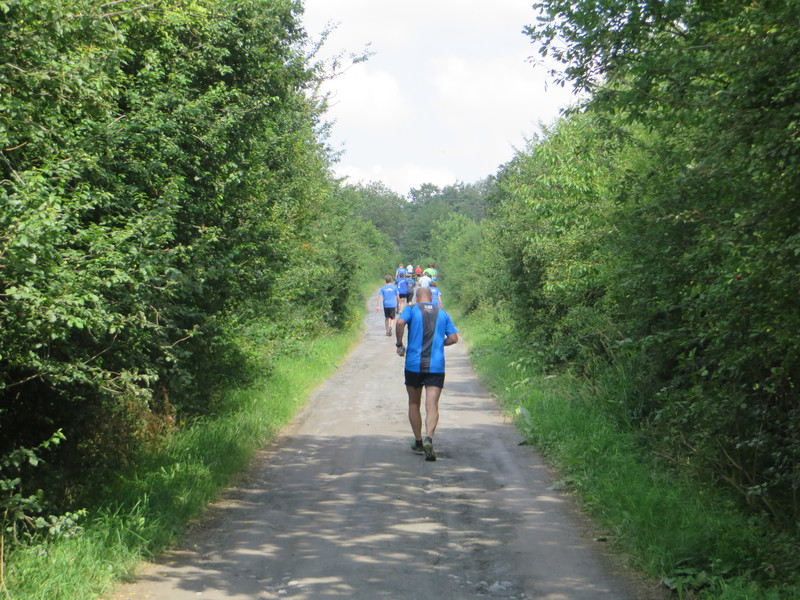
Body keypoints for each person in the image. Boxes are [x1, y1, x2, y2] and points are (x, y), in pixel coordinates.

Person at [395, 286, 458, 461]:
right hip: (436, 366)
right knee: (432, 405)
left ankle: (418, 441)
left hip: (414, 365)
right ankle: (429, 438)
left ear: (417, 298)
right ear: (431, 297)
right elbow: (454, 338)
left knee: (414, 403)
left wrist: (399, 344)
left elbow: (399, 323)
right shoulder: (442, 313)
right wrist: (439, 343)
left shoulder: (411, 309)